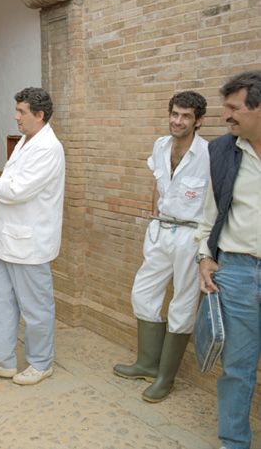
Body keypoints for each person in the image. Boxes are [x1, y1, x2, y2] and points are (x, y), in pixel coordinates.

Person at [0, 87, 65, 385]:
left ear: (40, 115)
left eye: (22, 111)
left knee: (36, 307)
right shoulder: (26, 141)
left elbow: (18, 190)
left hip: (30, 242)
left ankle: (41, 362)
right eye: (17, 110)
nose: (16, 116)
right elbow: (12, 181)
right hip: (7, 239)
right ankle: (2, 360)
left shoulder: (48, 148)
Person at [113, 91, 209, 402]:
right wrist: (152, 215)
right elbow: (156, 181)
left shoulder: (208, 154)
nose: (178, 121)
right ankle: (146, 364)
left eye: (186, 116)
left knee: (182, 304)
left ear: (198, 121)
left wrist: (208, 246)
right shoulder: (160, 145)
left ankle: (165, 378)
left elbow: (216, 202)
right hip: (160, 229)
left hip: (191, 236)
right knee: (143, 292)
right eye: (175, 114)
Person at [194, 71, 261, 449]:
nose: (227, 116)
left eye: (234, 108)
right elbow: (211, 213)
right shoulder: (222, 151)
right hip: (235, 273)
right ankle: (234, 442)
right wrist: (205, 256)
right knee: (237, 368)